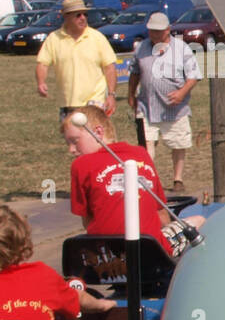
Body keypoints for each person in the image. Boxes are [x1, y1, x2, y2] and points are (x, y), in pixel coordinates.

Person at [0, 206, 115, 320]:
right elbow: (79, 299)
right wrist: (101, 304)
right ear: (23, 243)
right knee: (66, 309)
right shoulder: (42, 275)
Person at [63, 106, 172, 251]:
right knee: (198, 221)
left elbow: (87, 221)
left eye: (75, 141)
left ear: (98, 132)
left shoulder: (80, 165)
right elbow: (162, 214)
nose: (71, 149)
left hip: (107, 257)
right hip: (153, 252)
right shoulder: (141, 154)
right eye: (68, 143)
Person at [127, 12, 200, 191]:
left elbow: (194, 76)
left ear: (168, 30)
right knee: (147, 144)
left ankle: (178, 179)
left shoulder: (181, 49)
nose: (154, 34)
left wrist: (182, 93)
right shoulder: (142, 48)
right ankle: (149, 179)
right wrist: (131, 95)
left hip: (174, 108)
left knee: (178, 143)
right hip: (147, 105)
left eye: (158, 31)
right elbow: (135, 73)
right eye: (151, 31)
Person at [34, 0, 119, 119]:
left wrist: (111, 95)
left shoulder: (97, 37)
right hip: (68, 103)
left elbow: (110, 68)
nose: (83, 18)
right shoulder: (54, 39)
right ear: (66, 17)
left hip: (94, 102)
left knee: (94, 137)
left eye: (85, 14)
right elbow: (42, 64)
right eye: (78, 15)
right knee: (73, 138)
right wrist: (41, 82)